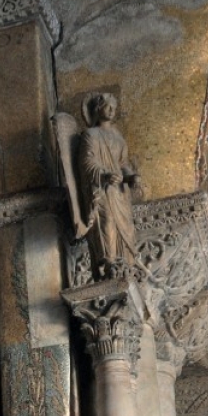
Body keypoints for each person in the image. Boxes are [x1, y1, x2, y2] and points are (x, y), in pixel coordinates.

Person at [77, 93, 140, 279]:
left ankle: (126, 264)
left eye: (114, 107)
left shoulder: (118, 138)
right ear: (98, 109)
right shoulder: (91, 135)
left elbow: (123, 164)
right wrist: (104, 175)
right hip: (102, 188)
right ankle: (109, 263)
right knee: (107, 221)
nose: (112, 110)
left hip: (119, 191)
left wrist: (131, 177)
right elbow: (87, 162)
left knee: (127, 226)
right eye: (108, 106)